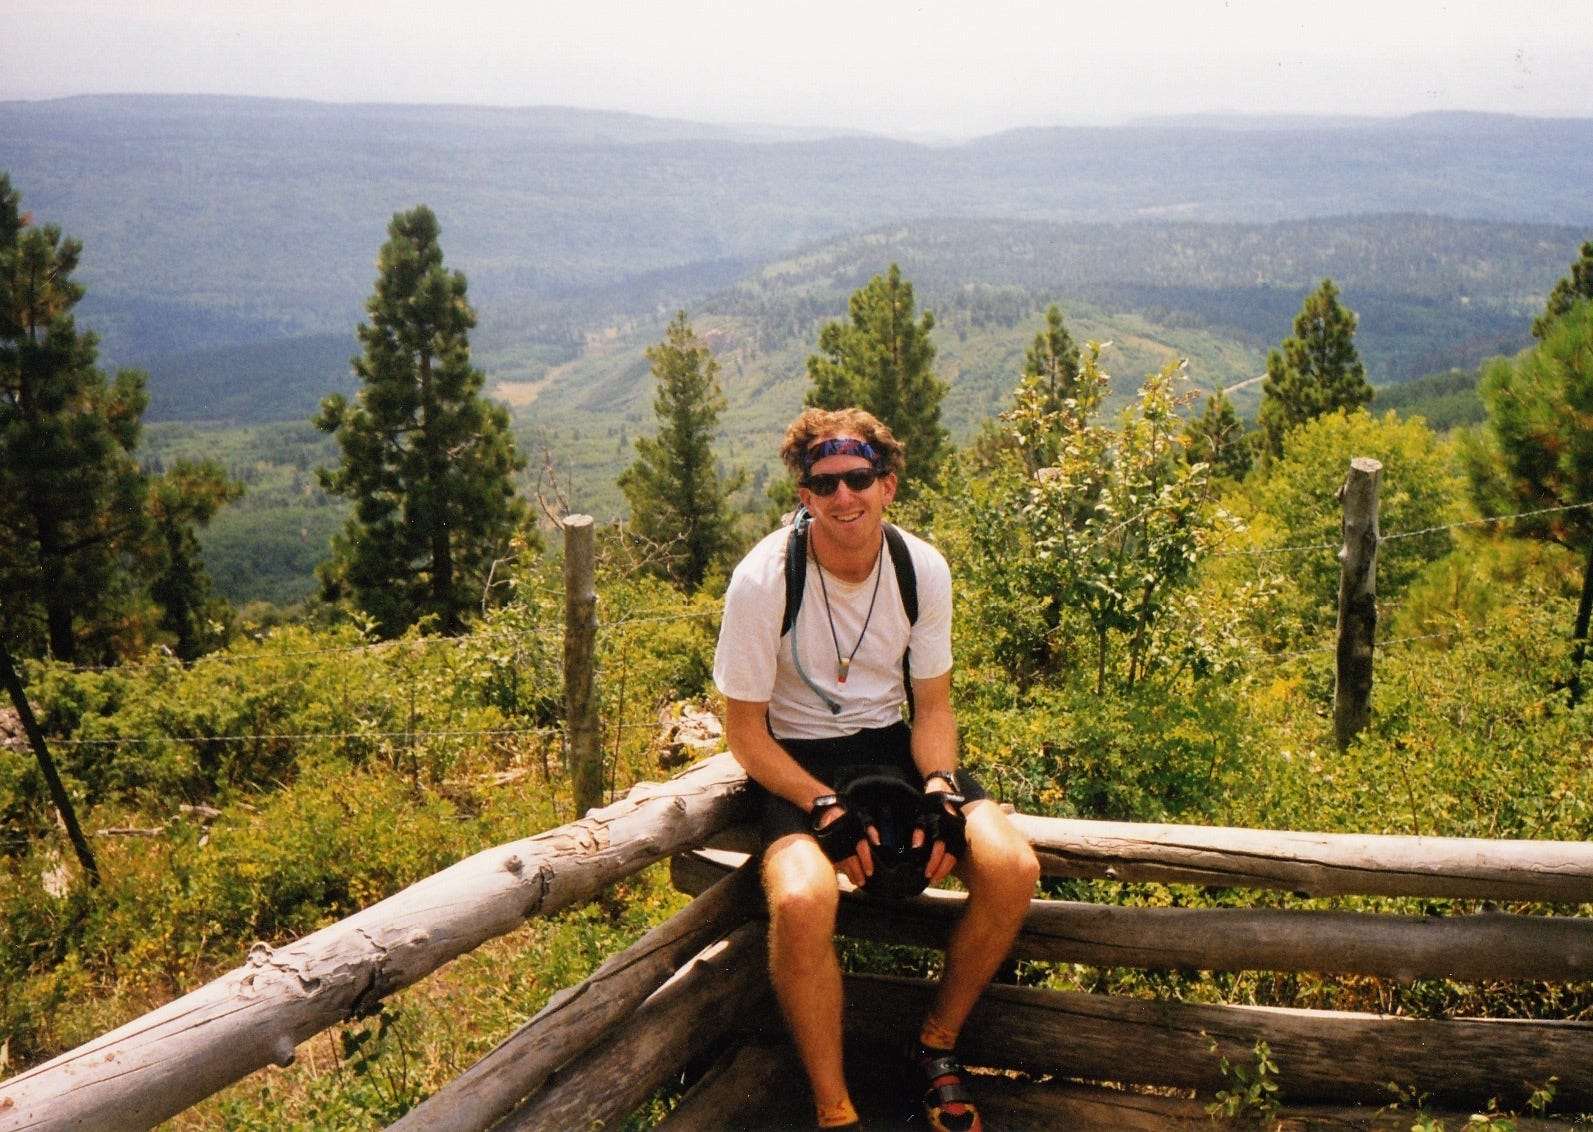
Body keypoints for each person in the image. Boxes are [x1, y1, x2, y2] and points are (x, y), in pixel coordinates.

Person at [713, 407, 1040, 1131]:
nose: (843, 496)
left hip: (893, 746)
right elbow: (744, 733)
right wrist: (822, 804)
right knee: (802, 901)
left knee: (1012, 868)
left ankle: (936, 1044)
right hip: (794, 758)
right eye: (824, 484)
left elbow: (934, 708)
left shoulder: (919, 568)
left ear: (887, 485)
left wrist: (939, 787)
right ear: (804, 496)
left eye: (859, 478)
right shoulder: (763, 581)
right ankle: (836, 1109)